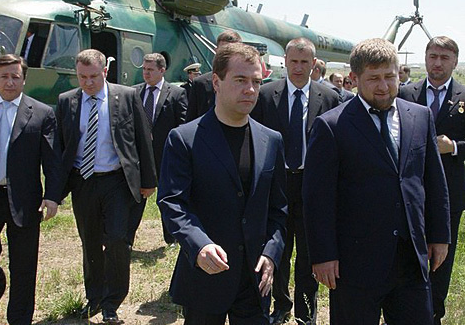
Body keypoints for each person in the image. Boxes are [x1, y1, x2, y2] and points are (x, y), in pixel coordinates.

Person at [303, 38, 450, 325]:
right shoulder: (332, 126)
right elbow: (317, 198)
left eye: (389, 77)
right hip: (355, 263)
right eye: (373, 79)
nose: (383, 86)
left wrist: (439, 236)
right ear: (355, 79)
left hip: (410, 258)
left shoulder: (419, 117)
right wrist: (323, 256)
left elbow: (434, 182)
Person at [157, 43, 288, 324]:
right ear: (216, 82)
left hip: (255, 280)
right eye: (240, 80)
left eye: (256, 81)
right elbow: (172, 203)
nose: (250, 90)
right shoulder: (184, 138)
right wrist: (200, 245)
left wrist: (272, 253)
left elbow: (279, 209)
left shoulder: (271, 140)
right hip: (206, 275)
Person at [56, 49, 157, 323]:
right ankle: (95, 298)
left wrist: (148, 181)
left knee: (117, 240)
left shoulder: (126, 96)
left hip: (117, 180)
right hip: (84, 182)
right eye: (82, 77)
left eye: (93, 76)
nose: (88, 82)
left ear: (105, 72)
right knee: (89, 242)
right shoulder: (67, 101)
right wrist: (54, 192)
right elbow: (60, 149)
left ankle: (113, 300)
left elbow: (142, 138)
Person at [0, 54, 63, 325]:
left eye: (15, 77)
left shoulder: (42, 113)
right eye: (4, 76)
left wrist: (52, 196)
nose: (9, 82)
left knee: (24, 267)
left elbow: (53, 160)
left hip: (24, 200)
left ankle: (19, 319)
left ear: (24, 80)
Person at [251, 37, 340, 325]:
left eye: (304, 62)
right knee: (278, 250)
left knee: (308, 254)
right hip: (277, 185)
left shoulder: (329, 97)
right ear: (285, 62)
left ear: (314, 64)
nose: (298, 68)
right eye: (294, 61)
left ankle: (306, 312)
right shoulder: (265, 96)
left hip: (312, 186)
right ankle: (282, 304)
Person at [399, 36, 465, 325]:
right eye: (433, 56)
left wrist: (454, 147)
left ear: (454, 61)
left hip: (449, 194)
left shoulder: (464, 97)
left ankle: (433, 314)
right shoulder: (404, 93)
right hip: (408, 192)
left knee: (440, 256)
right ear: (425, 58)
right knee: (404, 252)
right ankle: (400, 309)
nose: (437, 63)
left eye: (444, 57)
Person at [130, 53, 187, 246]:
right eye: (144, 69)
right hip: (139, 156)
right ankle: (127, 237)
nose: (146, 73)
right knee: (135, 199)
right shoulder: (134, 92)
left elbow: (182, 124)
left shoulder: (176, 93)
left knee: (166, 198)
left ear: (162, 70)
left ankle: (171, 238)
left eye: (150, 70)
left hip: (165, 155)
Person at [185, 29, 242, 121]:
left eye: (233, 51)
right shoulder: (200, 84)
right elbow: (190, 120)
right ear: (216, 51)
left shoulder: (250, 84)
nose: (228, 56)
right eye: (224, 51)